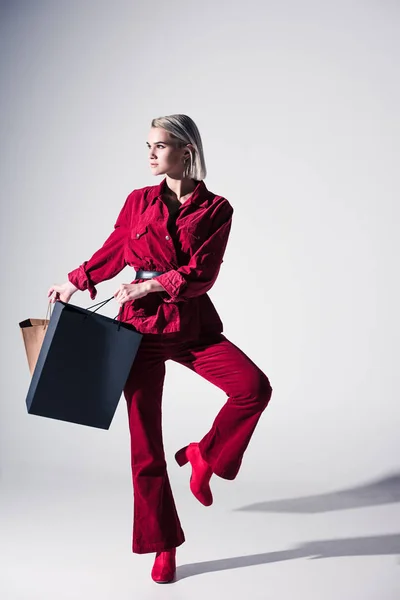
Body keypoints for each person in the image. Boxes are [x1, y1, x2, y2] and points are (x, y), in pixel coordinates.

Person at [47, 114, 273, 584]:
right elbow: (114, 250)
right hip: (140, 335)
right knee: (145, 446)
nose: (150, 154)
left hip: (191, 325)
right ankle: (163, 545)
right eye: (147, 146)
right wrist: (75, 280)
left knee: (253, 387)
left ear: (186, 151)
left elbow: (203, 273)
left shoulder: (217, 210)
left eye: (159, 146)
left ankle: (204, 455)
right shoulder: (138, 201)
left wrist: (151, 288)